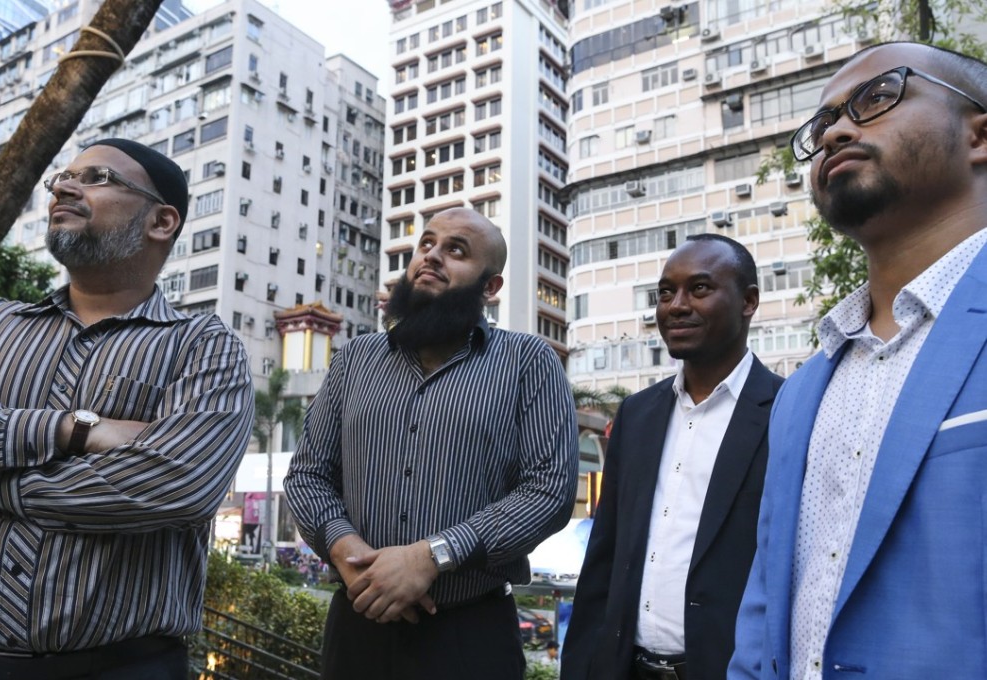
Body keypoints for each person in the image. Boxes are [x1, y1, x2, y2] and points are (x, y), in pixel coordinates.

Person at [730, 42, 987, 679]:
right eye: (820, 127)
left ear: (980, 136)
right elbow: (766, 611)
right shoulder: (800, 392)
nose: (835, 131)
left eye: (877, 97)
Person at [0, 139, 254, 679]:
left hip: (124, 668)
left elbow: (176, 483)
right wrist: (69, 429)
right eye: (63, 177)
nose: (64, 188)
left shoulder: (204, 346)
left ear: (162, 221)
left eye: (97, 177)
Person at [284, 207, 579, 679]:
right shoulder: (356, 359)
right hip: (358, 627)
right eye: (426, 244)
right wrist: (349, 554)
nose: (432, 257)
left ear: (490, 288)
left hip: (469, 635)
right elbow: (308, 475)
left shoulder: (529, 363)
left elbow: (548, 491)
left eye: (456, 250)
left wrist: (431, 557)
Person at [562, 234, 783, 680]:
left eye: (699, 289)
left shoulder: (788, 409)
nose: (676, 305)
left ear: (749, 301)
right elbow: (604, 557)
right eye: (666, 293)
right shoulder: (637, 413)